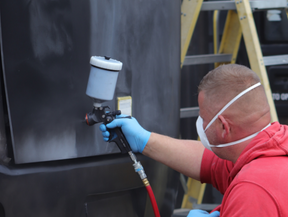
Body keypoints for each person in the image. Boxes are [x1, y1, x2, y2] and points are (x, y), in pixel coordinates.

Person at [100, 64, 288, 217]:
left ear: (224, 126)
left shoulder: (253, 190)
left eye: (204, 118)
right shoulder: (273, 151)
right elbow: (209, 163)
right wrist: (144, 141)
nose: (201, 124)